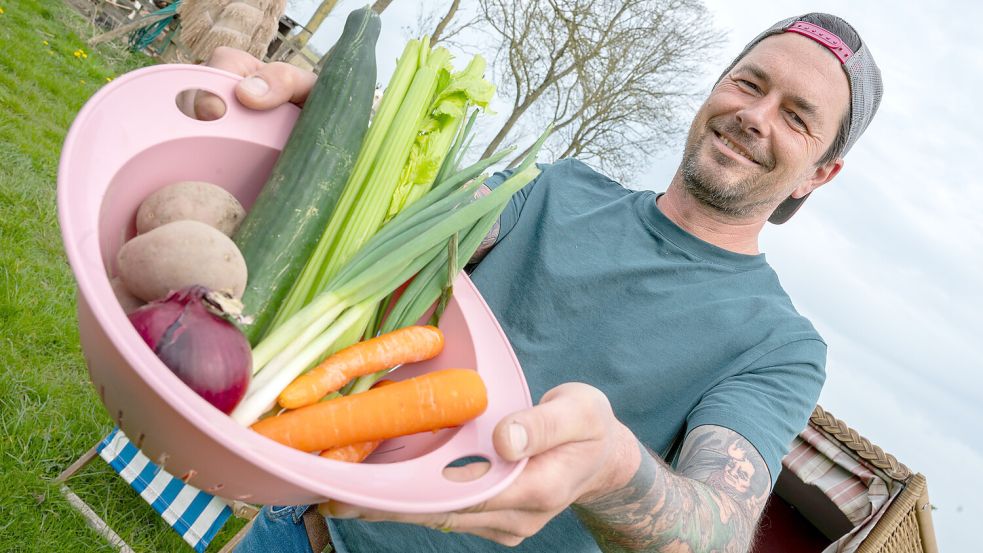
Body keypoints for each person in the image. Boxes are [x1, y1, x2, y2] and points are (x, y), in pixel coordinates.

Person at [199, 12, 882, 553]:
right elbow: (408, 214)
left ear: (819, 172)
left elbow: (719, 528)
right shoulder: (556, 188)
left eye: (796, 117)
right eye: (749, 83)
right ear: (715, 88)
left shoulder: (778, 343)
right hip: (303, 529)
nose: (756, 116)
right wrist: (331, 126)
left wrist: (613, 465)